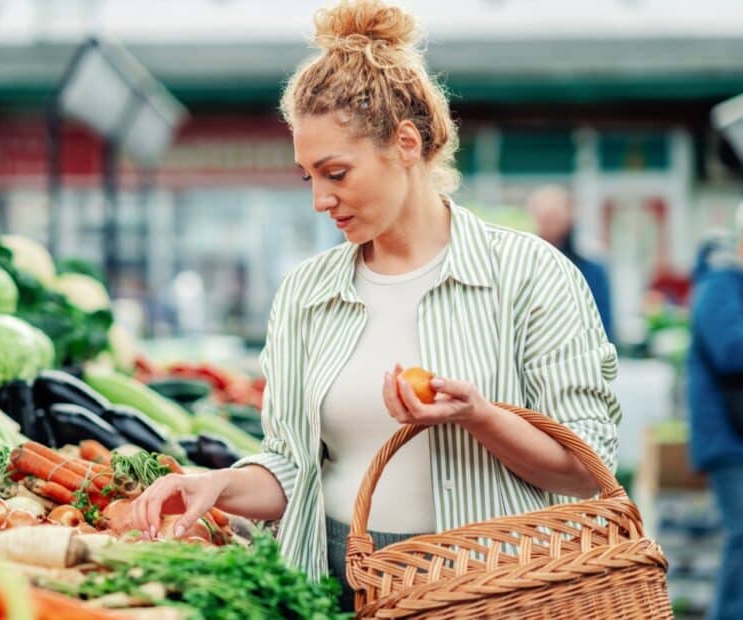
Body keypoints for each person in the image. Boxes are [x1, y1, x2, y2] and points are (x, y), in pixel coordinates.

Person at [131, 0, 621, 610]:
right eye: (308, 177)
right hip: (340, 585)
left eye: (336, 173)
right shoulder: (306, 293)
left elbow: (589, 462)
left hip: (490, 589)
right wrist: (218, 484)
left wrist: (480, 416)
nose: (320, 200)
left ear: (407, 144)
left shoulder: (529, 274)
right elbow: (293, 468)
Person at [687, 206, 743, 620]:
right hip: (727, 436)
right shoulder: (719, 283)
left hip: (733, 433)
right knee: (742, 537)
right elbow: (730, 350)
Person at [526, 185, 615, 342]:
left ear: (569, 216)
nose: (549, 222)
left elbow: (603, 321)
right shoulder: (523, 263)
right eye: (543, 216)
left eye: (554, 215)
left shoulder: (590, 262)